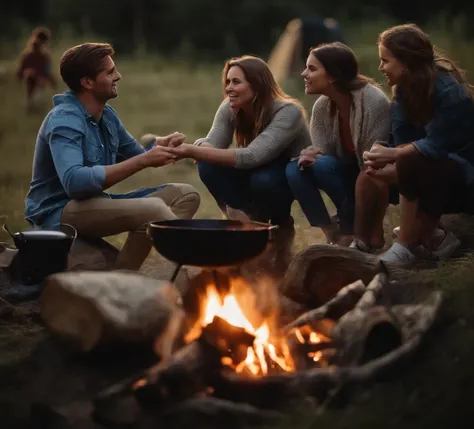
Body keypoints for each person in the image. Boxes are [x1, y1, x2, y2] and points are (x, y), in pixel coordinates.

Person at [24, 42, 200, 271]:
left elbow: (136, 153)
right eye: (110, 72)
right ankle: (200, 261)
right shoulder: (64, 120)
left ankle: (126, 275)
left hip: (94, 206)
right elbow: (74, 183)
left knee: (186, 195)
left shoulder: (106, 115)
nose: (118, 76)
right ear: (87, 82)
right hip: (58, 213)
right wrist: (144, 160)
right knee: (152, 211)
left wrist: (159, 144)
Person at [355, 24, 474, 268]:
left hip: (466, 178)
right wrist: (382, 156)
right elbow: (402, 140)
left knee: (409, 160)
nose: (380, 68)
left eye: (385, 61)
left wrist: (396, 157)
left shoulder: (450, 92)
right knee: (370, 174)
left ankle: (406, 245)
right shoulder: (403, 92)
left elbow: (436, 147)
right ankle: (431, 238)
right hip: (433, 171)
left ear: (406, 61)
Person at [167, 55, 311, 226]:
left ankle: (281, 224)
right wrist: (198, 146)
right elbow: (212, 144)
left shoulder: (288, 112)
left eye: (236, 82)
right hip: (257, 170)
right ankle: (246, 220)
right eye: (228, 82)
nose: (229, 88)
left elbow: (252, 156)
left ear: (257, 84)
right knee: (207, 164)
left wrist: (191, 150)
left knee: (262, 180)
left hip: (291, 173)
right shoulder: (231, 106)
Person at [285, 43, 391, 245]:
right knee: (294, 169)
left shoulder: (373, 102)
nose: (304, 73)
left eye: (312, 69)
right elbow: (322, 154)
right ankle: (332, 232)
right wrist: (308, 156)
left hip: (377, 176)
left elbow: (372, 164)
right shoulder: (322, 106)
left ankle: (355, 231)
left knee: (324, 166)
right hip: (345, 173)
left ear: (332, 75)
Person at [16, 26, 56, 110]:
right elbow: (47, 71)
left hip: (32, 82)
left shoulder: (27, 54)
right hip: (38, 82)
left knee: (32, 98)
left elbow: (20, 70)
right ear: (45, 41)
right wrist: (53, 82)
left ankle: (31, 105)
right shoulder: (44, 56)